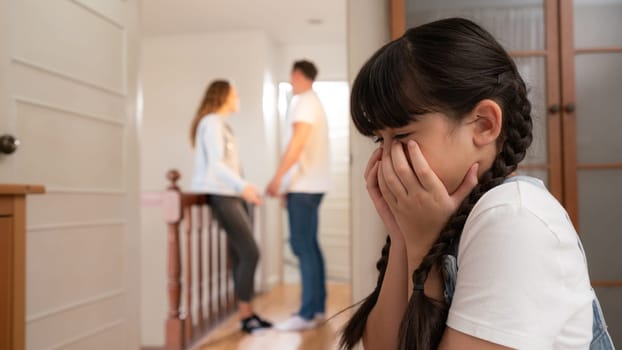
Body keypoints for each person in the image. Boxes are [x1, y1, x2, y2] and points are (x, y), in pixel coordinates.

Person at [340, 18, 614, 350]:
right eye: (378, 142)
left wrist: (424, 246)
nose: (385, 161)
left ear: (484, 124)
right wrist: (403, 236)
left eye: (401, 136)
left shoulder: (513, 218)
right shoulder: (439, 219)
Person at [190, 80, 272, 334]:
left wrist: (245, 188)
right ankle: (246, 315)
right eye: (235, 94)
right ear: (223, 95)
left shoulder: (220, 124)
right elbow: (216, 164)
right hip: (222, 196)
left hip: (232, 194)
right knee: (250, 252)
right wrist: (242, 187)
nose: (238, 98)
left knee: (240, 254)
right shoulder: (212, 123)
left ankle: (246, 314)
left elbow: (230, 165)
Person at [266, 60, 331, 331]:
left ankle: (305, 314)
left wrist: (278, 179)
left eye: (292, 76)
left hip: (303, 187)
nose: (291, 81)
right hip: (312, 186)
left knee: (302, 247)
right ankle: (316, 309)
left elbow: (297, 144)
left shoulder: (304, 102)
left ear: (299, 75)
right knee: (311, 247)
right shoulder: (314, 101)